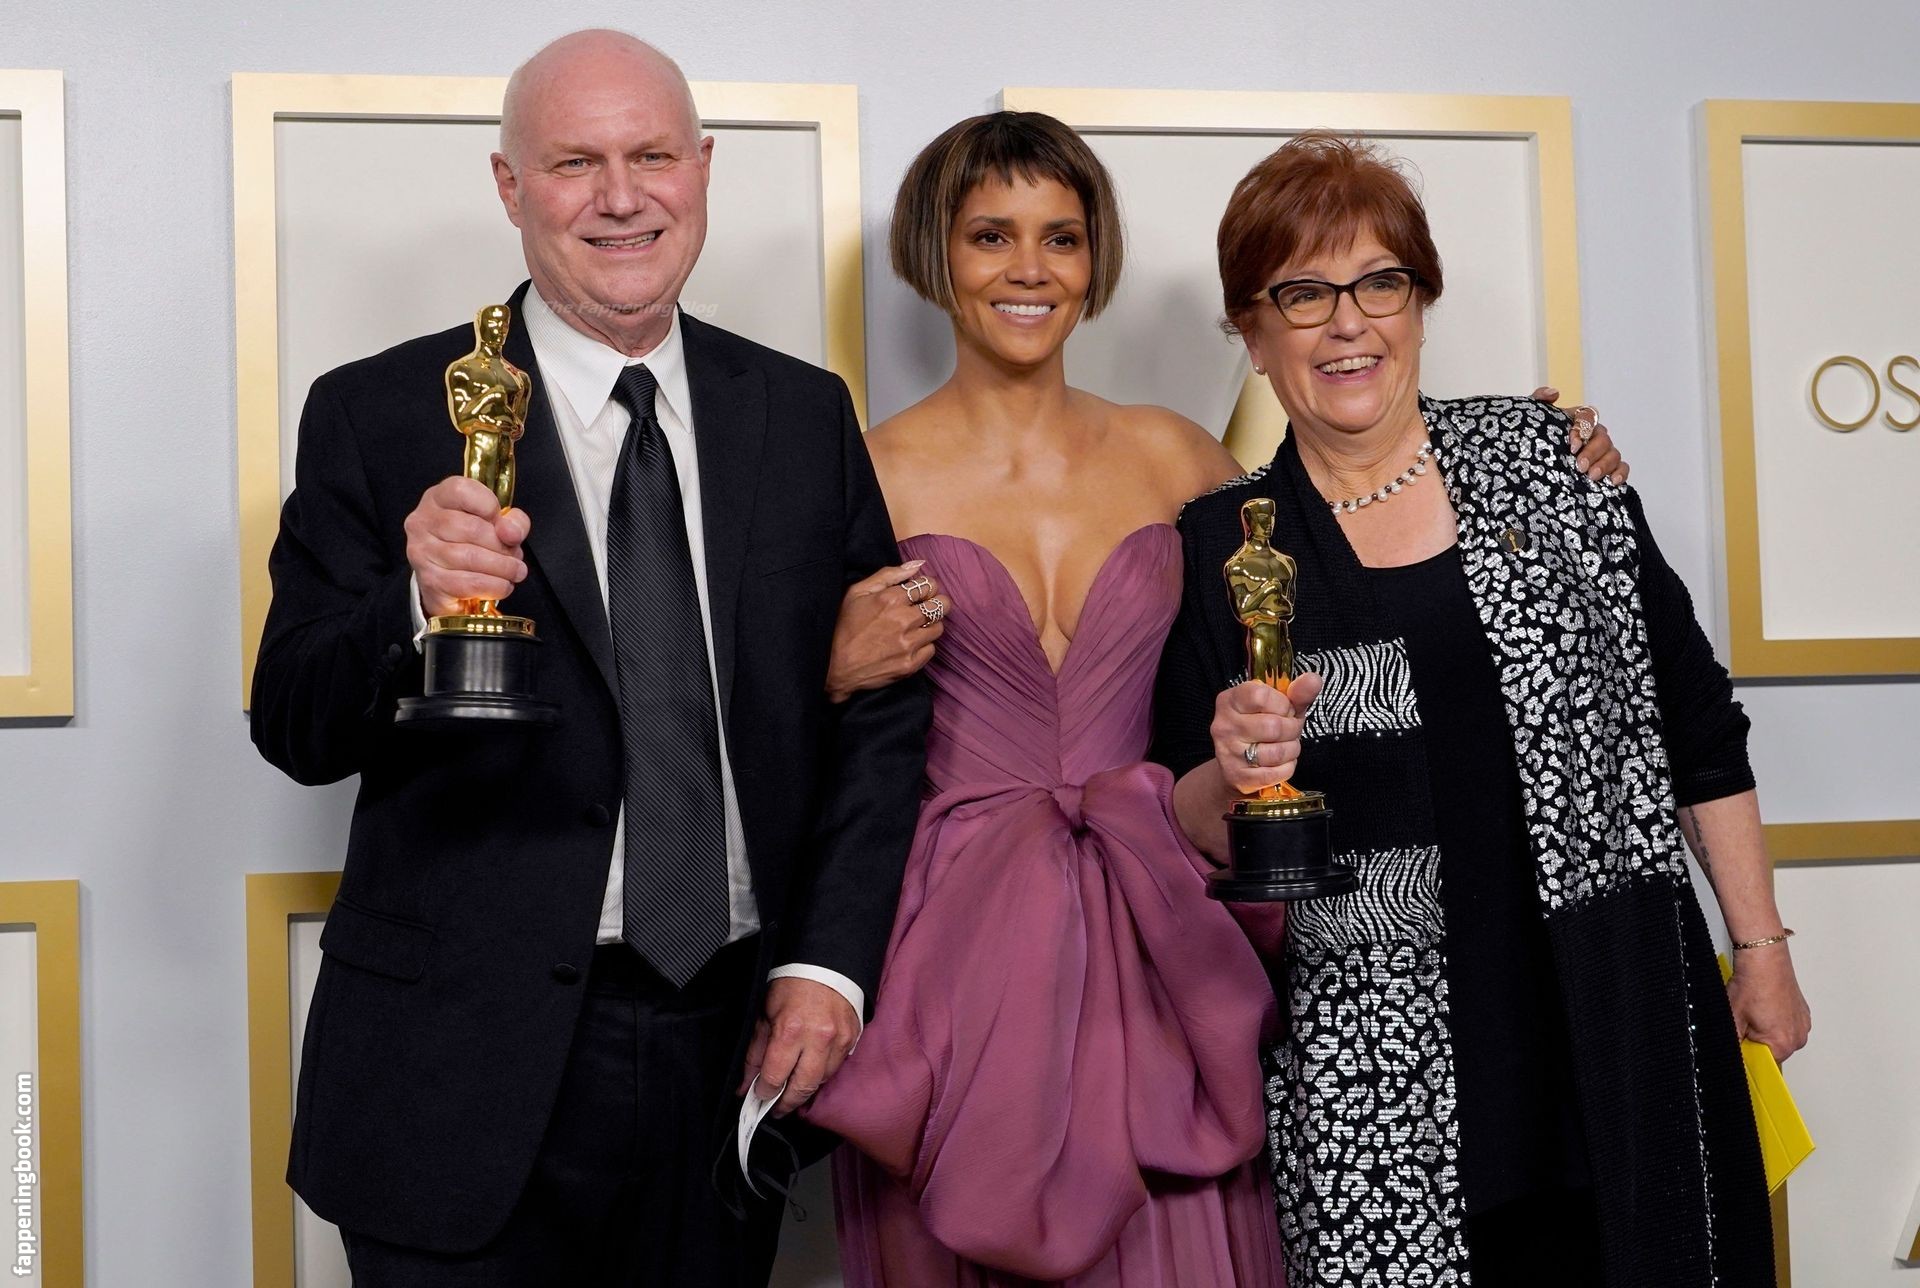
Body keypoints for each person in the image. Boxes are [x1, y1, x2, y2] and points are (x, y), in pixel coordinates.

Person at [799, 113, 1624, 1287]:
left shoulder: (1178, 457)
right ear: (934, 254)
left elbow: (1345, 556)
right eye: (991, 236)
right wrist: (828, 667)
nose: (1029, 269)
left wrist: (1526, 453)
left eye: (1061, 237)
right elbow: (776, 731)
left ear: (1097, 260)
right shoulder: (860, 471)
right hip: (946, 947)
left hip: (1162, 936)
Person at [249, 30, 928, 1286]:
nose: (622, 197)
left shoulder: (802, 412)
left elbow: (881, 714)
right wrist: (411, 599)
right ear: (510, 187)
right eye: (575, 163)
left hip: (727, 1050)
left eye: (651, 156)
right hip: (452, 1073)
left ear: (702, 169)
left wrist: (826, 963)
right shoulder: (381, 412)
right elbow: (292, 722)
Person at [1151, 132, 1812, 1287]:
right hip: (1373, 1078)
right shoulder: (1227, 545)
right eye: (1302, 294)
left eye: (1380, 283)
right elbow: (1191, 820)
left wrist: (1760, 948)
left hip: (1617, 1009)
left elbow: (1695, 722)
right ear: (1252, 336)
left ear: (1420, 302)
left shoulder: (1552, 464)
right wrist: (1232, 768)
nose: (1347, 324)